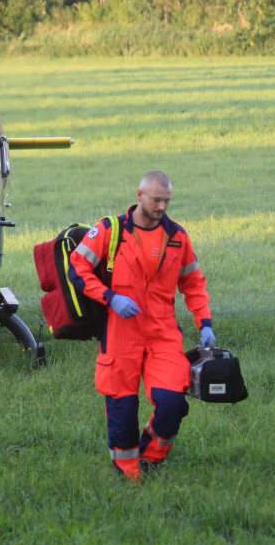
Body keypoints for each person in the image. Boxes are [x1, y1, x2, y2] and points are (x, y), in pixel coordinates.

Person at [69, 171, 215, 482]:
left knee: (173, 401)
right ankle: (127, 470)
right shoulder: (110, 229)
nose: (162, 206)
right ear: (139, 195)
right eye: (156, 199)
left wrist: (205, 324)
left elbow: (194, 285)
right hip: (121, 331)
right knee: (121, 403)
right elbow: (77, 269)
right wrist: (110, 297)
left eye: (167, 200)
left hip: (163, 333)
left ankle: (151, 455)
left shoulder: (178, 237)